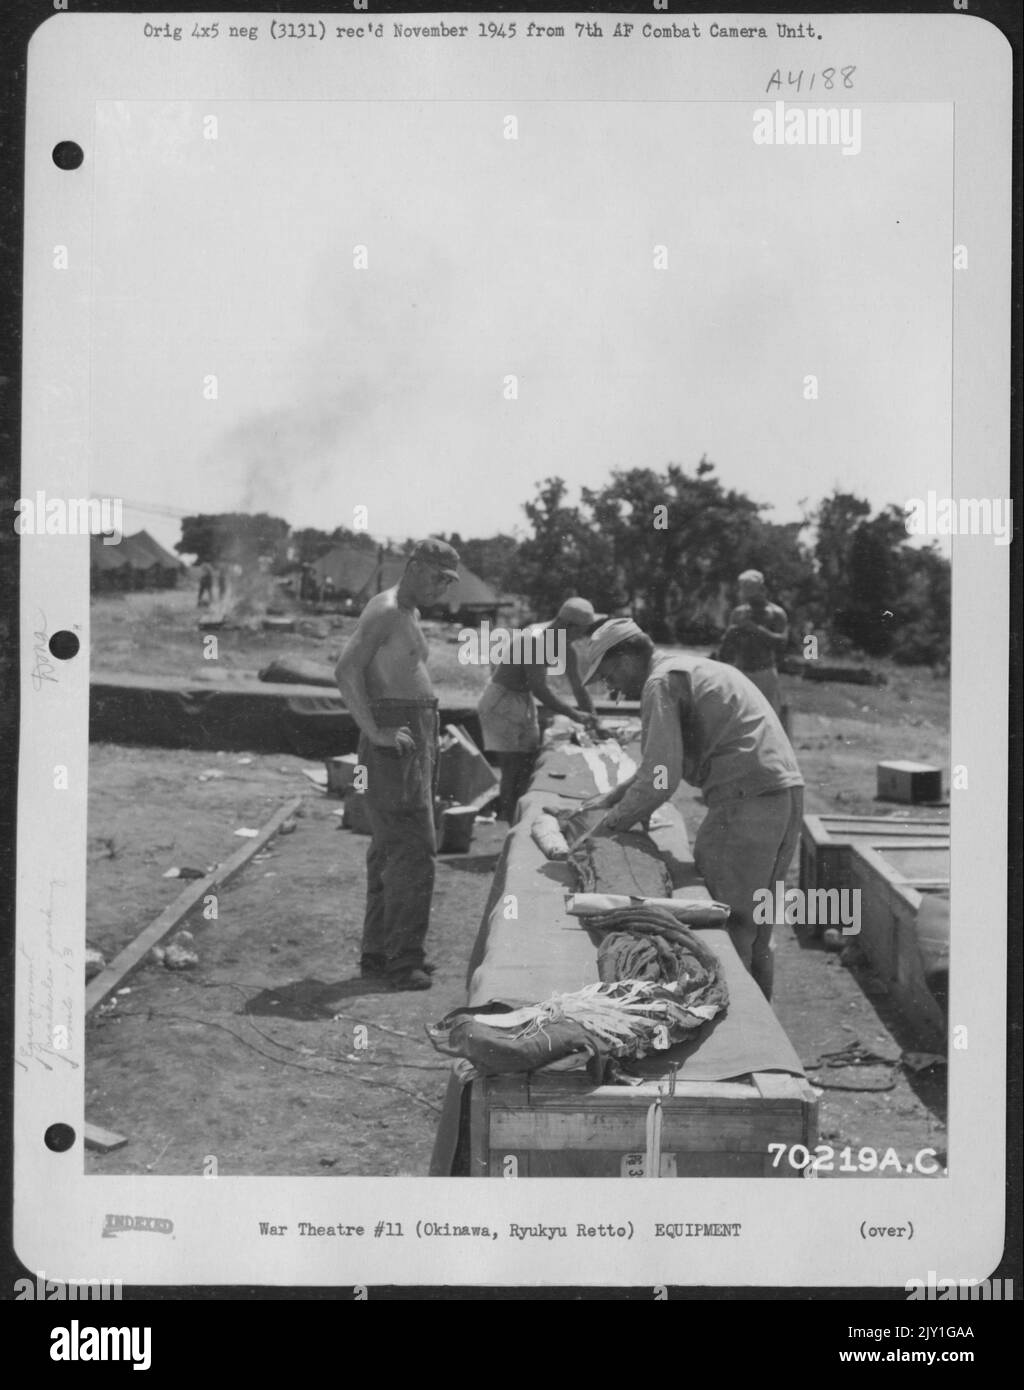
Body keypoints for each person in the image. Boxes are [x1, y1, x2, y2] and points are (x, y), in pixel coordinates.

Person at [574, 618, 804, 1001]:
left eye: (609, 674)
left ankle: (735, 1038)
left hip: (745, 803)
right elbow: (658, 766)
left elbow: (662, 779)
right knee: (758, 927)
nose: (611, 689)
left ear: (627, 657)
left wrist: (606, 829)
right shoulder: (688, 667)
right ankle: (763, 1036)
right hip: (781, 794)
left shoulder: (659, 682)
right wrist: (616, 796)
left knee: (724, 926)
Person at [333, 538, 460, 991]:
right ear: (411, 566)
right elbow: (346, 670)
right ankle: (402, 960)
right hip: (396, 734)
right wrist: (375, 732)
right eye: (436, 577)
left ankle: (381, 952)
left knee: (392, 848)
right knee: (413, 847)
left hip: (414, 732)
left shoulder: (409, 613)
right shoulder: (385, 609)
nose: (441, 588)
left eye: (448, 581)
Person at [476, 597, 605, 823]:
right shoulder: (535, 640)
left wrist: (595, 721)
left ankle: (518, 816)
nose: (583, 636)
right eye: (582, 631)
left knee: (529, 762)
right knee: (512, 767)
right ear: (568, 626)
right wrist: (575, 715)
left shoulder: (564, 646)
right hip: (502, 701)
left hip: (522, 700)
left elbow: (579, 687)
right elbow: (540, 690)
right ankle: (510, 823)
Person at [718, 569, 788, 718]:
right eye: (744, 589)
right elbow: (725, 651)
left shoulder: (776, 613)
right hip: (741, 672)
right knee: (738, 719)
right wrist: (730, 635)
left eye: (751, 590)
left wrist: (757, 630)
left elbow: (782, 643)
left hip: (765, 673)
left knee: (768, 718)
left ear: (762, 589)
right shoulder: (738, 613)